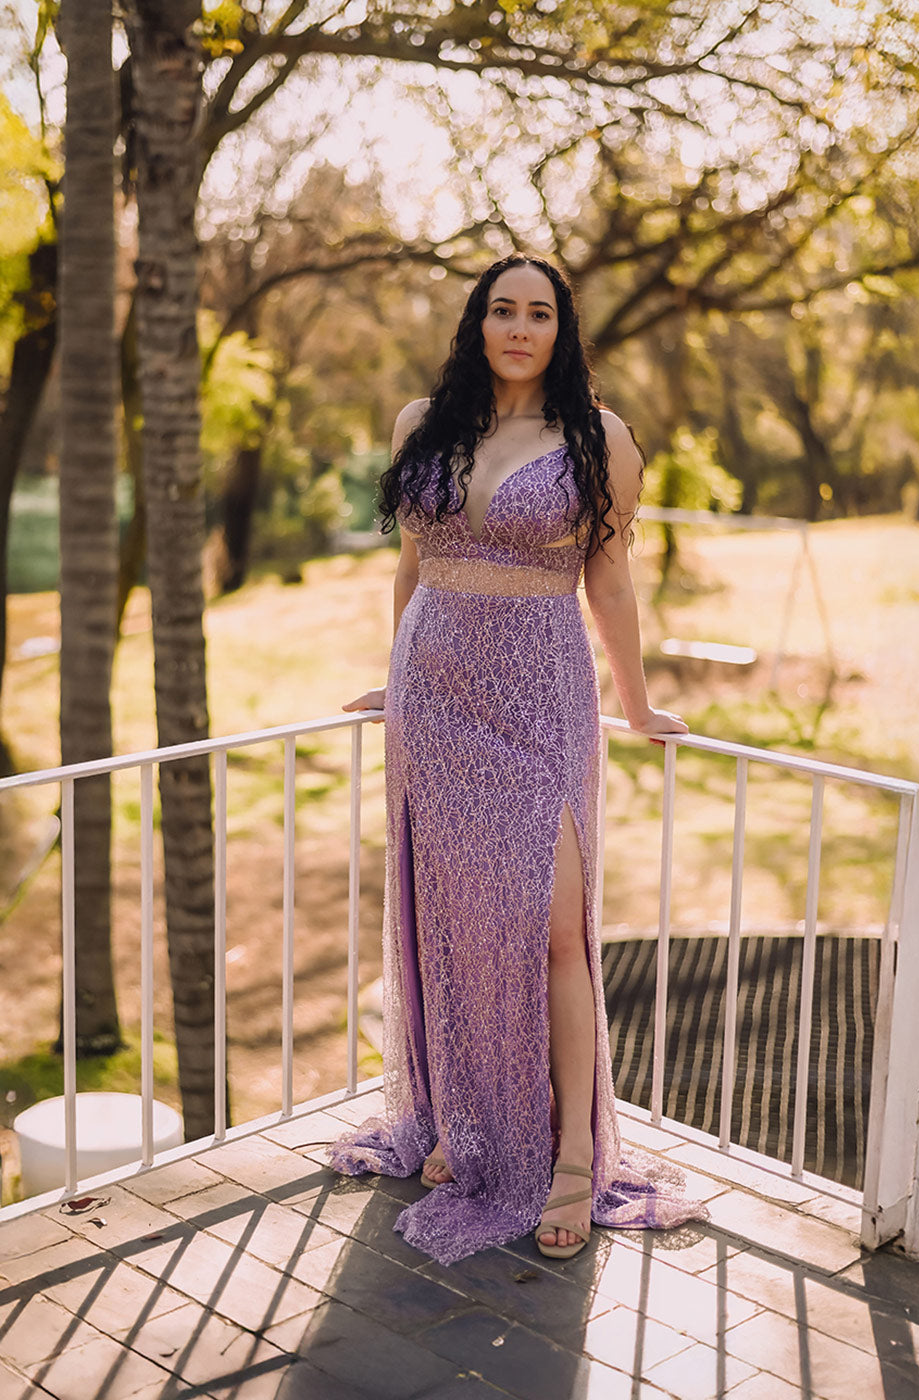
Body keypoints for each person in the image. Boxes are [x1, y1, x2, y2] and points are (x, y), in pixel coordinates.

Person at [329, 253, 707, 1265]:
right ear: (477, 321)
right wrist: (392, 680)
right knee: (451, 920)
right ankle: (461, 1124)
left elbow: (612, 583)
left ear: (560, 329)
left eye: (540, 311)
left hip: (539, 698)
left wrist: (635, 702)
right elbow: (412, 564)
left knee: (551, 928)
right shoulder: (424, 424)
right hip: (434, 702)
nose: (520, 326)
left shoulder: (600, 438)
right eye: (503, 308)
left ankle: (574, 1157)